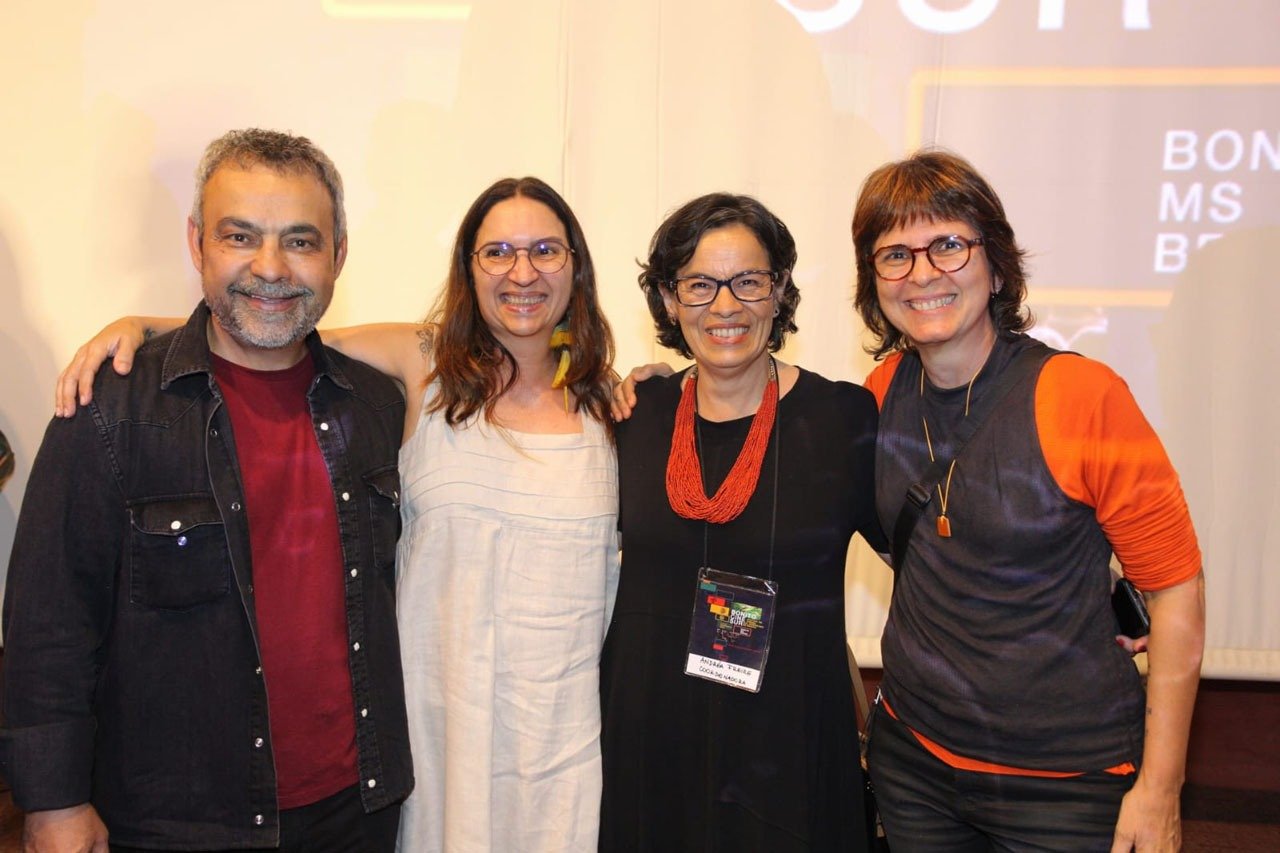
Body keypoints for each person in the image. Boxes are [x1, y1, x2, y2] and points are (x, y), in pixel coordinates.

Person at [50, 176, 619, 852]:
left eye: (545, 250)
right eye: (497, 251)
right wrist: (140, 326)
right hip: (438, 734)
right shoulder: (425, 360)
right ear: (468, 267)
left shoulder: (612, 405)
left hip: (562, 740)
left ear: (576, 265)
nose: (522, 272)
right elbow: (275, 324)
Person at [0, 129, 413, 851]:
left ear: (339, 255)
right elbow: (50, 623)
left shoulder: (379, 406)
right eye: (239, 236)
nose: (270, 267)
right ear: (197, 244)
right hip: (175, 823)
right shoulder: (111, 407)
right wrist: (53, 801)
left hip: (358, 812)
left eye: (301, 241)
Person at [853, 150, 1204, 852]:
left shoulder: (1082, 395)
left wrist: (1160, 791)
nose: (922, 273)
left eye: (948, 245)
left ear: (996, 264)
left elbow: (1176, 591)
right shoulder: (881, 392)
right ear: (875, 281)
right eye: (895, 255)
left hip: (1067, 780)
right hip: (915, 761)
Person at [599, 193, 883, 851]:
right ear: (669, 299)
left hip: (786, 755)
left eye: (748, 281)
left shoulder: (843, 420)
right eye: (699, 284)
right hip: (651, 747)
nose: (724, 306)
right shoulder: (633, 416)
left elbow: (925, 561)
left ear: (779, 291)